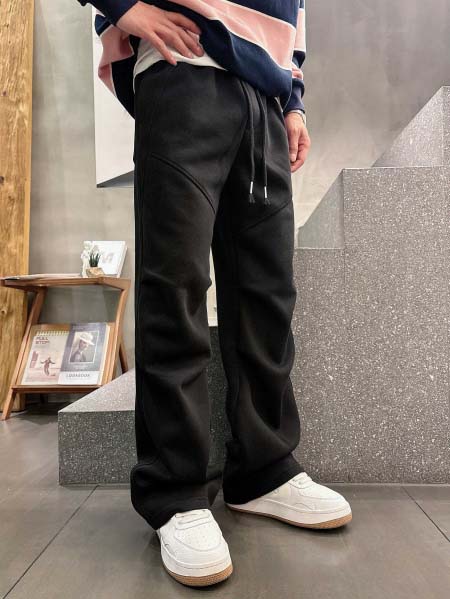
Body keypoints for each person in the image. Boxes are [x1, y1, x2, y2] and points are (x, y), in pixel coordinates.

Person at [77, 0, 352, 587]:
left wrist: (293, 100)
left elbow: (295, 10)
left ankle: (264, 471)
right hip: (184, 68)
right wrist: (125, 8)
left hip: (266, 96)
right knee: (175, 288)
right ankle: (175, 490)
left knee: (267, 296)